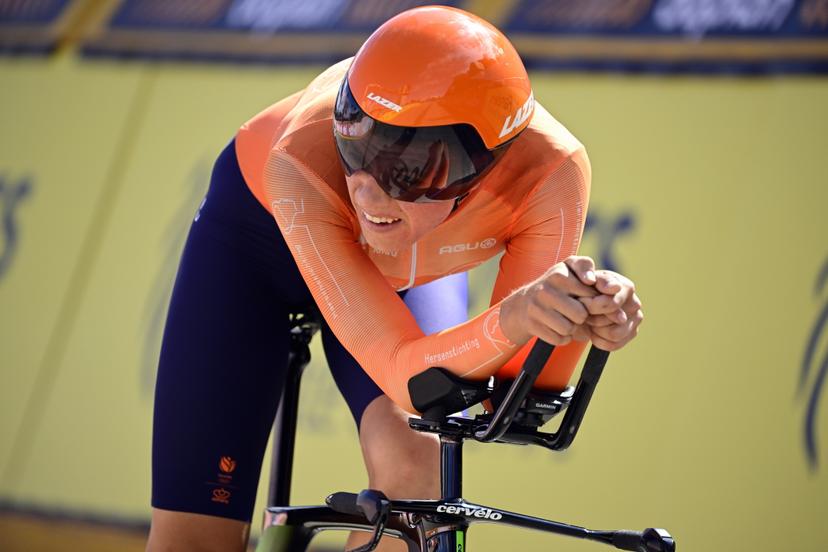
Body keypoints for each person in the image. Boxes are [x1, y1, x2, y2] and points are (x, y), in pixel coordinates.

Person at [146, 6, 642, 552]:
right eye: (353, 151)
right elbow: (408, 378)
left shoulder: (553, 170)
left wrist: (579, 319)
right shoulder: (301, 158)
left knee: (415, 480)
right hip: (256, 252)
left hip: (404, 273)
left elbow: (513, 400)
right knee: (191, 541)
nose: (365, 194)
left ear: (481, 167)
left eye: (405, 170)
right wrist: (517, 317)